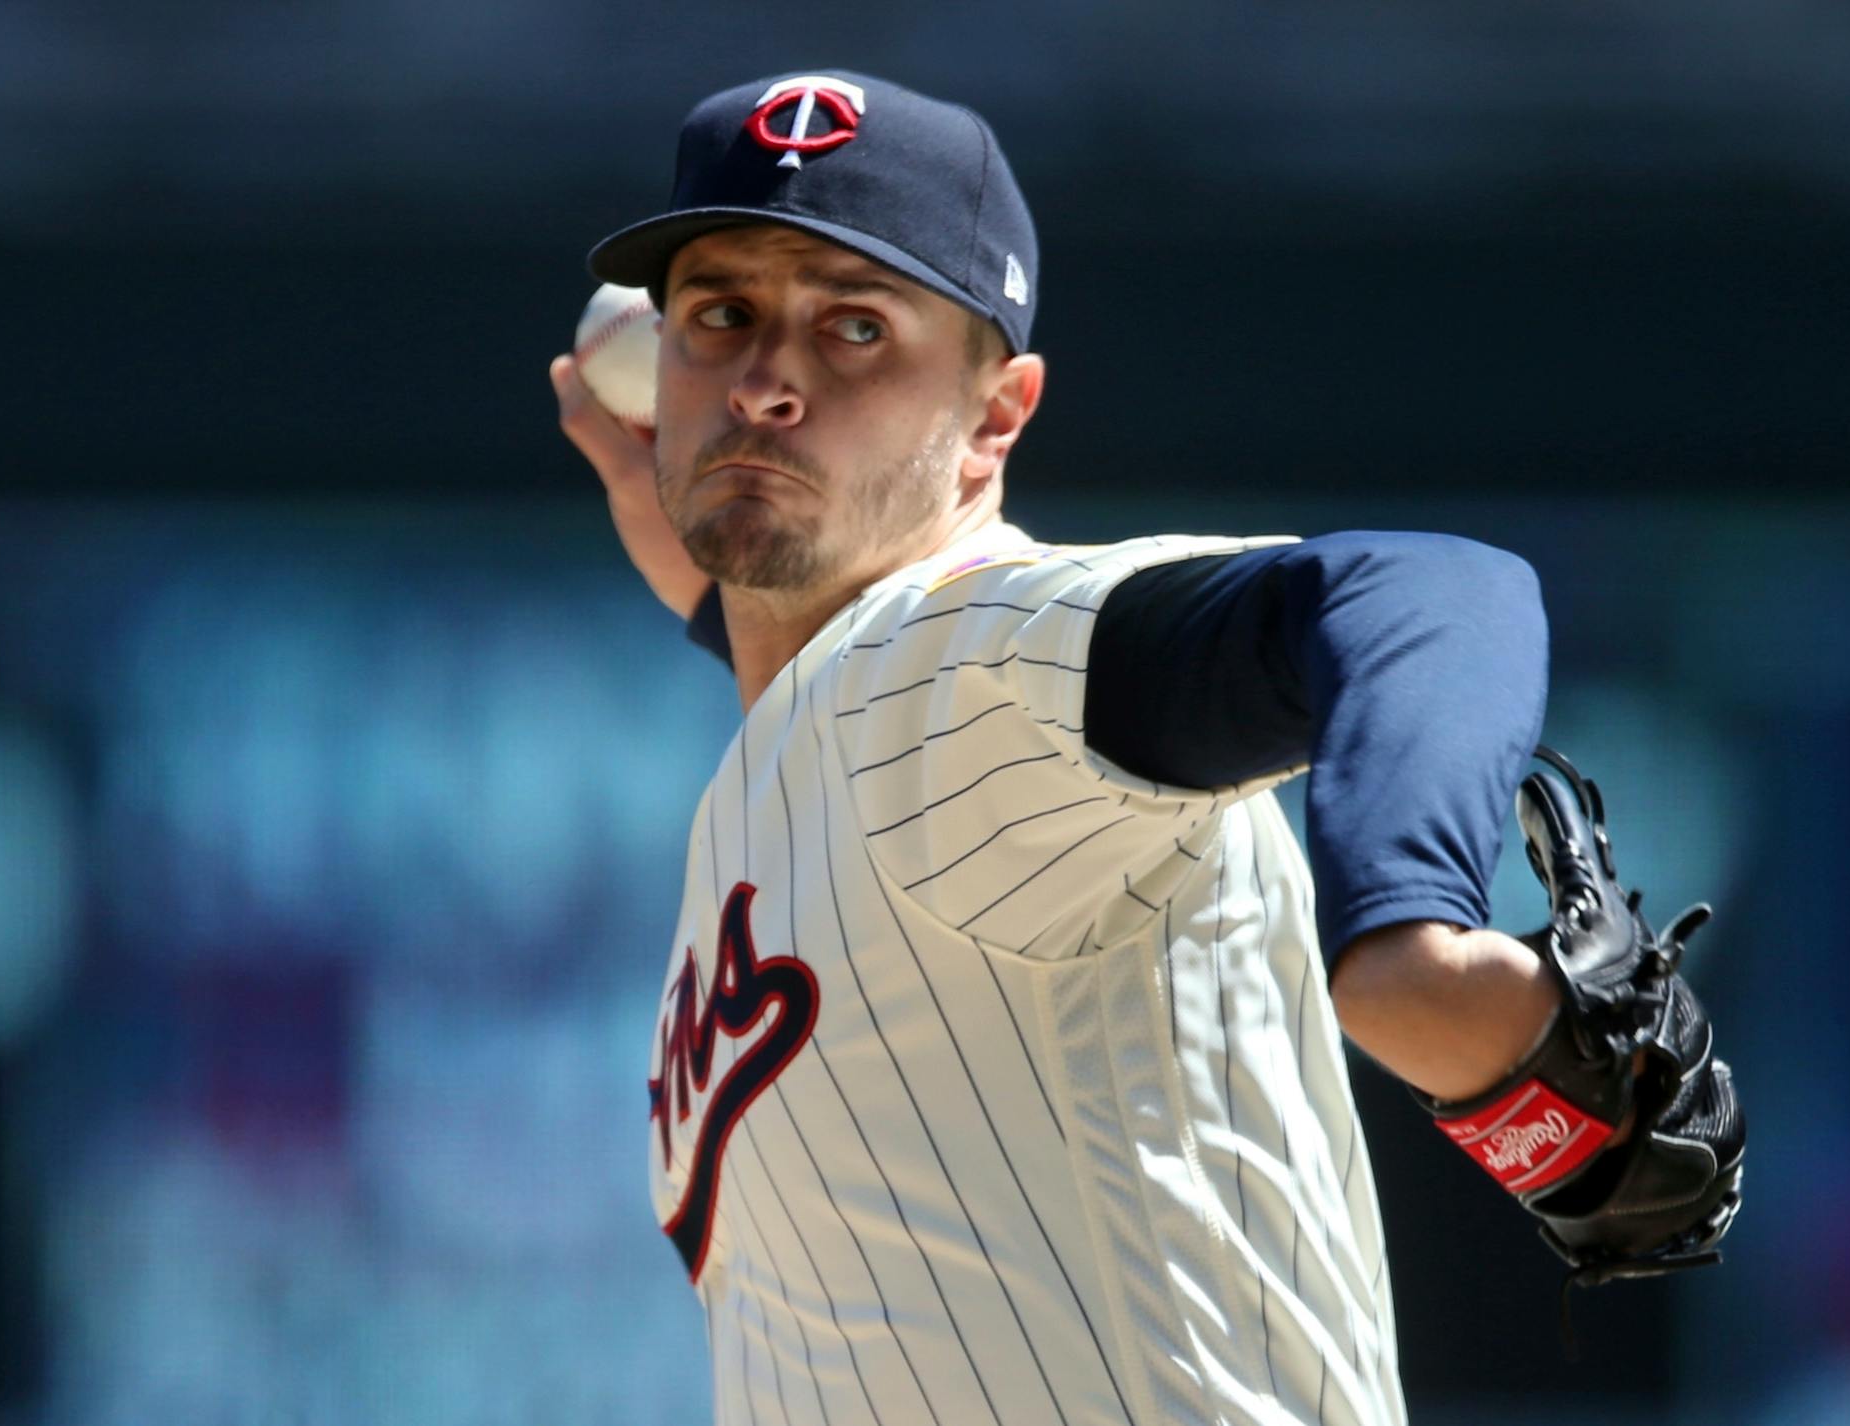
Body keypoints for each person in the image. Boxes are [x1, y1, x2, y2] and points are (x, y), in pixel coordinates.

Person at [552, 71, 1739, 1426]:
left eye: (855, 329)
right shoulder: (819, 737)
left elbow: (1423, 593)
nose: (766, 380)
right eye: (722, 316)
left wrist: (1411, 939)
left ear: (995, 417)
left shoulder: (953, 659)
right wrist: (730, 601)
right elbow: (849, 743)